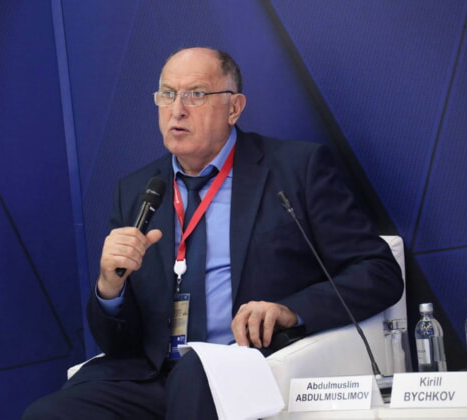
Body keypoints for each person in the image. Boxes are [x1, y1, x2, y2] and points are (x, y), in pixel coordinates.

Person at [23, 47, 403, 419]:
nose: (177, 109)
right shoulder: (137, 190)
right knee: (49, 413)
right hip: (152, 373)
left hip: (244, 363)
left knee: (195, 377)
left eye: (196, 94)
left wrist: (290, 311)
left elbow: (378, 271)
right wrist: (110, 287)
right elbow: (117, 342)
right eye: (167, 94)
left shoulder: (295, 170)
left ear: (234, 108)